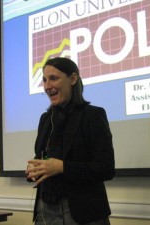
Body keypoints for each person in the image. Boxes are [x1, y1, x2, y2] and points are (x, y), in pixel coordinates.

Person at [26, 57, 115, 225]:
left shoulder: (93, 116)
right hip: (46, 212)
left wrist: (62, 167)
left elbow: (106, 168)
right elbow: (41, 156)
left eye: (53, 78)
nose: (47, 86)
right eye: (44, 80)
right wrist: (34, 169)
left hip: (84, 214)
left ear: (73, 79)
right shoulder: (46, 119)